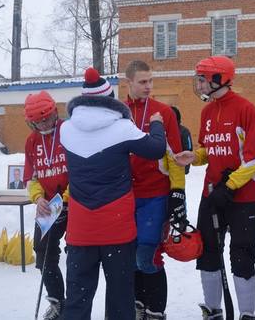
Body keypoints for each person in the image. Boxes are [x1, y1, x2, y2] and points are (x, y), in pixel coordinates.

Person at [59, 68, 167, 320]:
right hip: (116, 227)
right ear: (110, 99)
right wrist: (157, 124)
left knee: (77, 297)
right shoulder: (122, 128)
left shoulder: (66, 129)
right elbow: (156, 149)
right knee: (120, 297)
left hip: (80, 229)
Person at [174, 56, 255, 320]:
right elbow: (209, 149)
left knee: (242, 256)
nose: (199, 85)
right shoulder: (207, 111)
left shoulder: (246, 109)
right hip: (211, 196)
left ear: (218, 79)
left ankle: (246, 313)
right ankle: (212, 310)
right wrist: (195, 156)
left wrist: (231, 186)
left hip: (242, 197)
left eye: (202, 80)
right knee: (208, 254)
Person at [124, 60, 187, 320]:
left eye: (150, 81)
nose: (148, 86)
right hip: (125, 195)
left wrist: (178, 192)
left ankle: (156, 310)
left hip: (155, 194)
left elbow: (175, 156)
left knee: (147, 255)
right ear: (128, 82)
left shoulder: (164, 112)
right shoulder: (119, 112)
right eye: (142, 82)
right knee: (129, 255)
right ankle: (139, 304)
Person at [23, 91, 69, 319]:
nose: (43, 124)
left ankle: (77, 302)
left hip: (74, 201)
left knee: (78, 253)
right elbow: (31, 177)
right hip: (49, 206)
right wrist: (38, 198)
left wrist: (67, 199)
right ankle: (58, 301)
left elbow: (81, 171)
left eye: (47, 118)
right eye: (38, 121)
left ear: (54, 112)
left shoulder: (69, 132)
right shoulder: (31, 141)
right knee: (42, 253)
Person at [171, 106, 193, 174]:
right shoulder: (162, 130)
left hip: (180, 168)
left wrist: (186, 167)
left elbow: (189, 149)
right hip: (165, 170)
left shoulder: (184, 131)